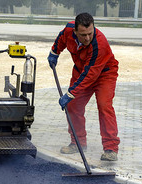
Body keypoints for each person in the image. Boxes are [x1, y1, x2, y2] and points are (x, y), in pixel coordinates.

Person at [47, 12, 120, 161]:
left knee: (104, 105)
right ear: (75, 31)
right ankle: (77, 143)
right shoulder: (68, 30)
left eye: (90, 33)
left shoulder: (100, 44)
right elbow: (61, 40)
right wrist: (54, 53)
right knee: (73, 106)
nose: (87, 38)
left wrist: (70, 93)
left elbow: (90, 75)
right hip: (82, 70)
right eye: (83, 34)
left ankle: (111, 148)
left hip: (104, 74)